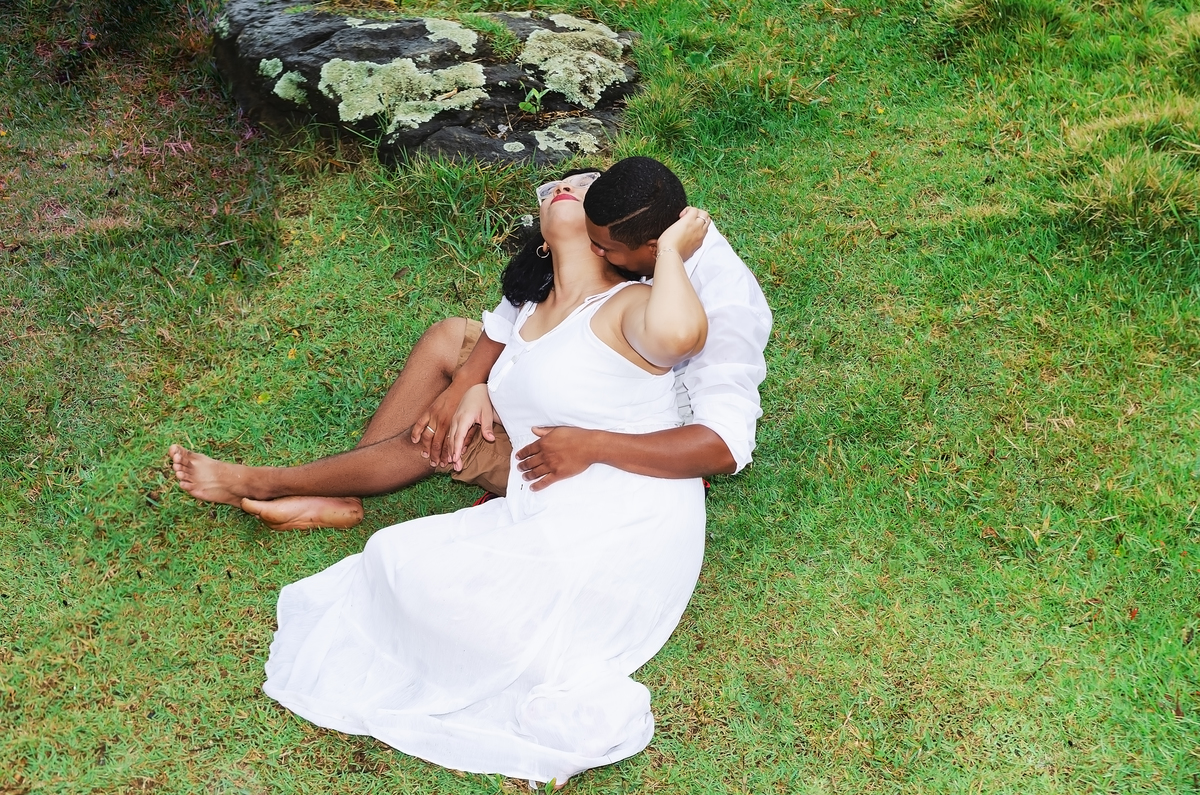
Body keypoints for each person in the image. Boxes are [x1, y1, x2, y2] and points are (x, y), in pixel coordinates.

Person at [261, 170, 712, 785]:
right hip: (543, 504)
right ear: (546, 244)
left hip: (623, 513)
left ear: (609, 244)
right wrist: (479, 388)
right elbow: (510, 366)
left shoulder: (628, 304)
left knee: (449, 596)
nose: (565, 189)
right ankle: (323, 493)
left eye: (584, 191)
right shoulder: (528, 315)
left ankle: (271, 481)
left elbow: (681, 333)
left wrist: (671, 257)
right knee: (394, 555)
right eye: (557, 190)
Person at [168, 156, 771, 529]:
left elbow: (720, 445)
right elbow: (532, 301)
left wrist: (588, 442)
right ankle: (345, 493)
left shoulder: (721, 301)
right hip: (573, 370)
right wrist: (470, 382)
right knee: (450, 341)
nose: (593, 253)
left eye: (604, 250)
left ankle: (266, 480)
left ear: (651, 247)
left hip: (617, 443)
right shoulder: (623, 216)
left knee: (442, 440)